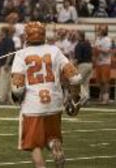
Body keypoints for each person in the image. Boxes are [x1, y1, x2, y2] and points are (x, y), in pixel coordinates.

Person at [11, 22, 83, 168]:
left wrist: (16, 96)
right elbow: (75, 77)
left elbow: (17, 89)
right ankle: (55, 147)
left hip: (32, 106)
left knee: (35, 146)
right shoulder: (55, 50)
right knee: (52, 137)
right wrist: (75, 97)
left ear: (27, 36)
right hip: (55, 103)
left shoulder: (21, 54)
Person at [94, 24, 112, 104]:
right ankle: (101, 96)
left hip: (105, 62)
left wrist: (99, 49)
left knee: (105, 81)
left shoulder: (107, 39)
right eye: (100, 29)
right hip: (98, 62)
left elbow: (108, 51)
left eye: (101, 29)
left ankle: (106, 97)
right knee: (100, 81)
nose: (100, 30)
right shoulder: (97, 39)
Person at [74, 31, 93, 100]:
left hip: (83, 65)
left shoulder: (79, 45)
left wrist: (72, 65)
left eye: (76, 35)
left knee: (78, 82)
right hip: (90, 64)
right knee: (86, 82)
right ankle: (86, 97)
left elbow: (78, 58)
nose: (75, 36)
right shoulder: (88, 43)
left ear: (79, 36)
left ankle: (82, 97)